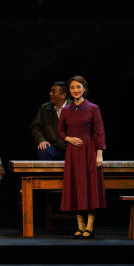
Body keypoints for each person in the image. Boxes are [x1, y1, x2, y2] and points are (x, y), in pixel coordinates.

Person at [57, 75, 106, 239]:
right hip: (73, 153)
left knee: (90, 188)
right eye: (72, 88)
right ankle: (80, 226)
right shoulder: (66, 110)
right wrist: (68, 138)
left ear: (84, 88)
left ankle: (90, 227)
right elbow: (60, 131)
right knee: (75, 187)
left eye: (78, 87)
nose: (75, 90)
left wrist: (99, 153)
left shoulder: (93, 108)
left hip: (89, 152)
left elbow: (99, 131)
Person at [30, 81, 69, 160]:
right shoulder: (45, 108)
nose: (50, 94)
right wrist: (41, 140)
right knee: (43, 149)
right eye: (50, 91)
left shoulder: (74, 108)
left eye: (54, 92)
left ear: (63, 95)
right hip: (53, 147)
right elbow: (36, 127)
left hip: (70, 147)